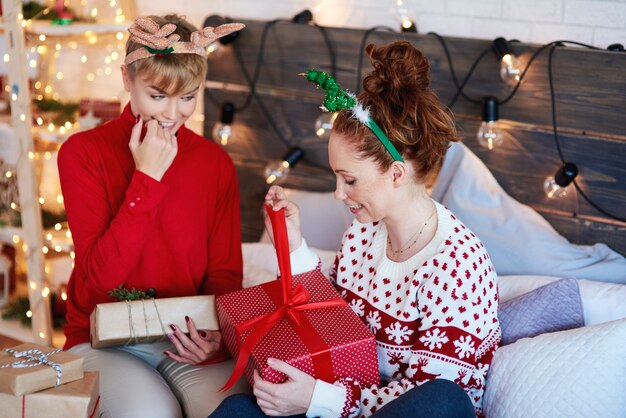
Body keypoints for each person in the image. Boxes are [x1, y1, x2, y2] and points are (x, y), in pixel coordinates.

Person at [210, 41, 500, 418]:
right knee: (238, 410)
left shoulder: (457, 265)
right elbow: (330, 323)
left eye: (349, 180)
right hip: (339, 405)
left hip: (394, 411)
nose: (338, 194)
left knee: (441, 399)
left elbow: (433, 399)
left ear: (396, 173)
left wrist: (317, 399)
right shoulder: (362, 235)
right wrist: (293, 244)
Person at [57, 15, 249, 418]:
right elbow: (100, 279)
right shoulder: (83, 153)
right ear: (128, 79)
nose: (173, 114)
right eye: (158, 95)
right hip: (102, 339)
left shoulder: (214, 163)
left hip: (187, 337)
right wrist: (146, 178)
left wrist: (218, 337)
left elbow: (225, 274)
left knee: (234, 411)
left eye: (188, 97)